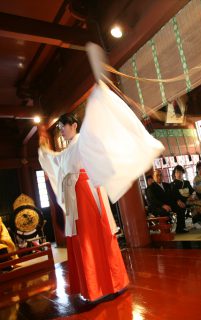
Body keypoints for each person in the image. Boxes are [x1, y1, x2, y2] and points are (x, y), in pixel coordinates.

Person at [38, 82, 164, 302]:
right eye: (60, 128)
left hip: (87, 193)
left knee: (93, 238)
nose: (63, 130)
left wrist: (97, 98)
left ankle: (111, 283)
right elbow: (57, 162)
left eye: (65, 126)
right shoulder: (68, 149)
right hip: (76, 196)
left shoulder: (82, 140)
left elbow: (92, 130)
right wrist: (46, 153)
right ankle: (95, 287)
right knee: (83, 240)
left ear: (74, 125)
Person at [171, 165, 201, 230]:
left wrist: (193, 195)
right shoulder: (173, 184)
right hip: (182, 200)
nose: (179, 174)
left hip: (190, 198)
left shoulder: (186, 182)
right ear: (174, 174)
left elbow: (192, 191)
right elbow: (176, 195)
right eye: (177, 172)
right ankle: (195, 222)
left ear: (182, 173)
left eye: (180, 172)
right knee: (194, 204)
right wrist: (187, 198)